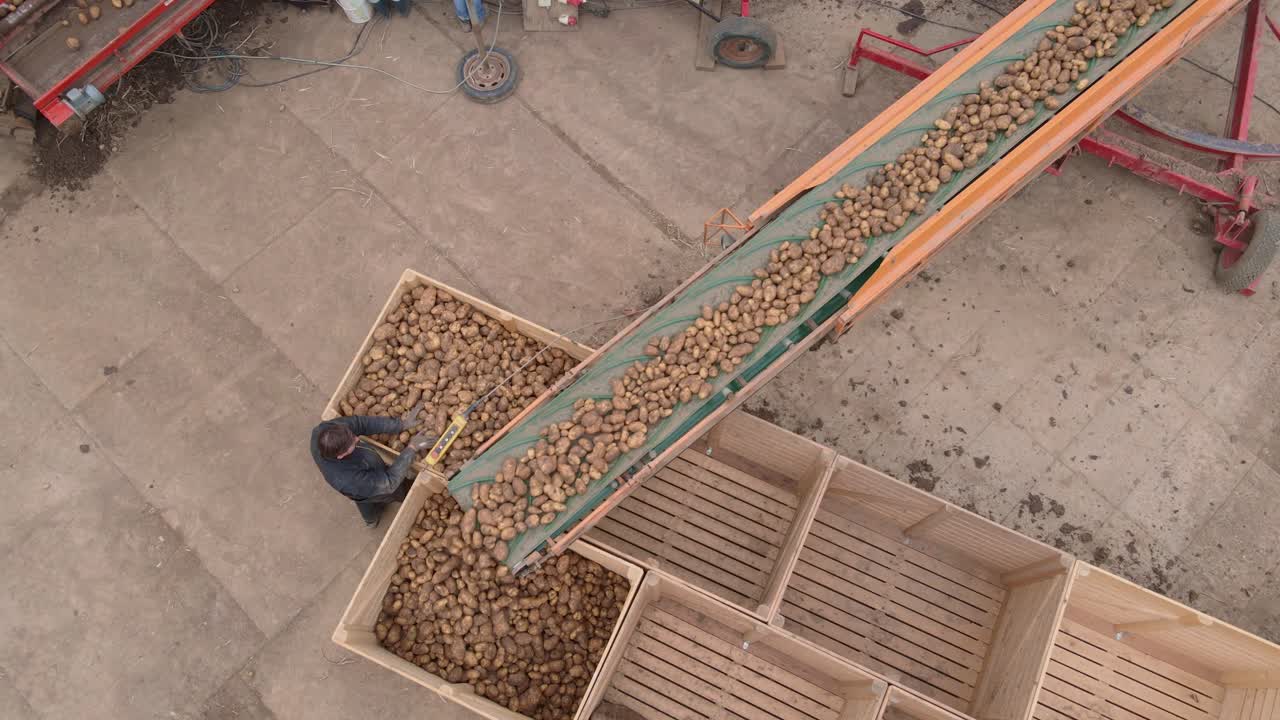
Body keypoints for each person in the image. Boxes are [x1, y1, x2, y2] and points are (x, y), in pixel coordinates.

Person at [311, 401, 431, 528]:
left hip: (360, 477)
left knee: (363, 496)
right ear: (341, 455)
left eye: (353, 436)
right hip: (358, 486)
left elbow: (360, 424)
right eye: (353, 443)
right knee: (372, 497)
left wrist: (400, 424)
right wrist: (412, 448)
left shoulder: (324, 431)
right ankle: (371, 520)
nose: (357, 438)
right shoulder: (349, 480)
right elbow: (389, 483)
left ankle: (369, 516)